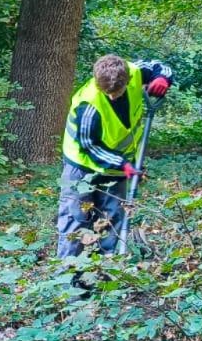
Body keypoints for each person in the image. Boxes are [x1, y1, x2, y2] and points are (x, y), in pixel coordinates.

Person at [57, 54, 173, 259]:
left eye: (116, 92)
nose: (111, 96)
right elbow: (89, 147)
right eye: (107, 92)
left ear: (126, 81)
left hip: (118, 168)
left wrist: (162, 79)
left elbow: (159, 66)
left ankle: (106, 273)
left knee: (112, 219)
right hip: (82, 167)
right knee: (76, 220)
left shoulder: (134, 72)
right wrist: (123, 165)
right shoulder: (88, 105)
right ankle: (69, 278)